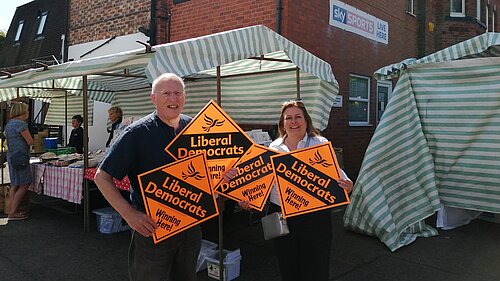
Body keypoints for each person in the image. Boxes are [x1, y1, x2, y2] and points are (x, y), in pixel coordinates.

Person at [228, 100, 353, 281]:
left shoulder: (319, 142)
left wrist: (347, 184)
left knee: (316, 267)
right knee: (288, 267)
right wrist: (250, 199)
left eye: (298, 117)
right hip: (283, 215)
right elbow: (266, 183)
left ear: (306, 121)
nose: (293, 122)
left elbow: (337, 174)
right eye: (289, 118)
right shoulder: (273, 147)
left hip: (315, 216)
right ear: (283, 123)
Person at [94, 73, 201, 281]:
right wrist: (129, 215)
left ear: (184, 97)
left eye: (178, 93)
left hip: (190, 224)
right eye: (166, 93)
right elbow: (102, 176)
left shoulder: (194, 128)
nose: (173, 99)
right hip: (153, 227)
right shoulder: (137, 133)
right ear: (154, 99)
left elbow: (207, 170)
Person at [5, 102, 34, 221]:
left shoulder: (9, 124)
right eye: (27, 111)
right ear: (22, 112)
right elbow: (30, 141)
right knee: (25, 183)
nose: (28, 113)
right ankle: (13, 212)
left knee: (15, 184)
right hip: (21, 156)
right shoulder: (21, 124)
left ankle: (12, 210)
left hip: (11, 155)